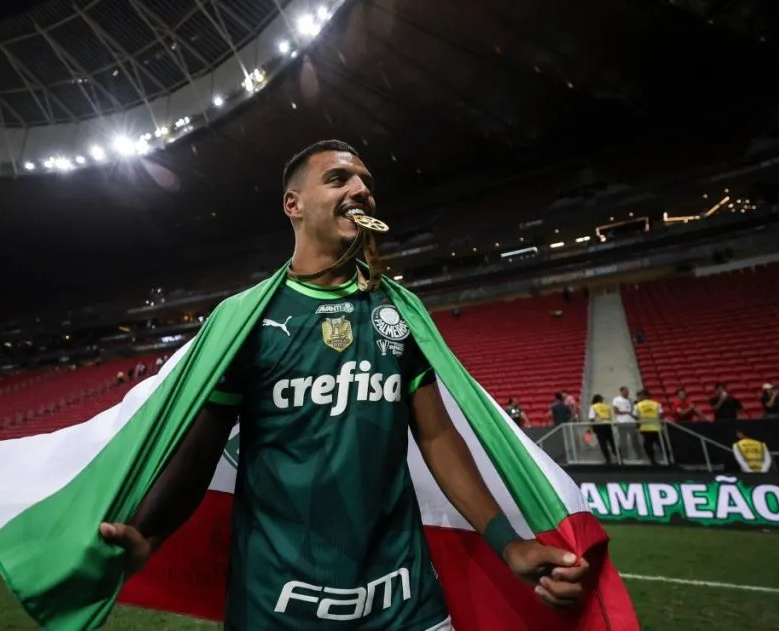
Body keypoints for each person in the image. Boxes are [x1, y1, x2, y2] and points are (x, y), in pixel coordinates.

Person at [98, 140, 588, 629]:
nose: (360, 190)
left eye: (367, 184)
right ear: (294, 205)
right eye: (338, 179)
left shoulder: (397, 312)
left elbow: (437, 436)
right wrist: (149, 533)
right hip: (275, 606)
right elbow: (201, 450)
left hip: (404, 600)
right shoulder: (246, 318)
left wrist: (509, 542)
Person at [633, 389, 664, 465]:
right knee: (661, 443)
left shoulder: (638, 405)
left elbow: (635, 416)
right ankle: (668, 458)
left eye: (640, 395)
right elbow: (661, 415)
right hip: (656, 427)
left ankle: (652, 460)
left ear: (644, 396)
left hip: (645, 428)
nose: (639, 397)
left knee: (647, 445)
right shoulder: (656, 404)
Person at [587, 394, 617, 464]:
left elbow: (592, 418)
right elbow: (610, 416)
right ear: (600, 399)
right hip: (608, 424)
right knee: (612, 442)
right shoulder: (606, 406)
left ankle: (608, 459)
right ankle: (619, 457)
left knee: (603, 443)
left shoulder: (593, 406)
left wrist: (592, 427)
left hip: (599, 425)